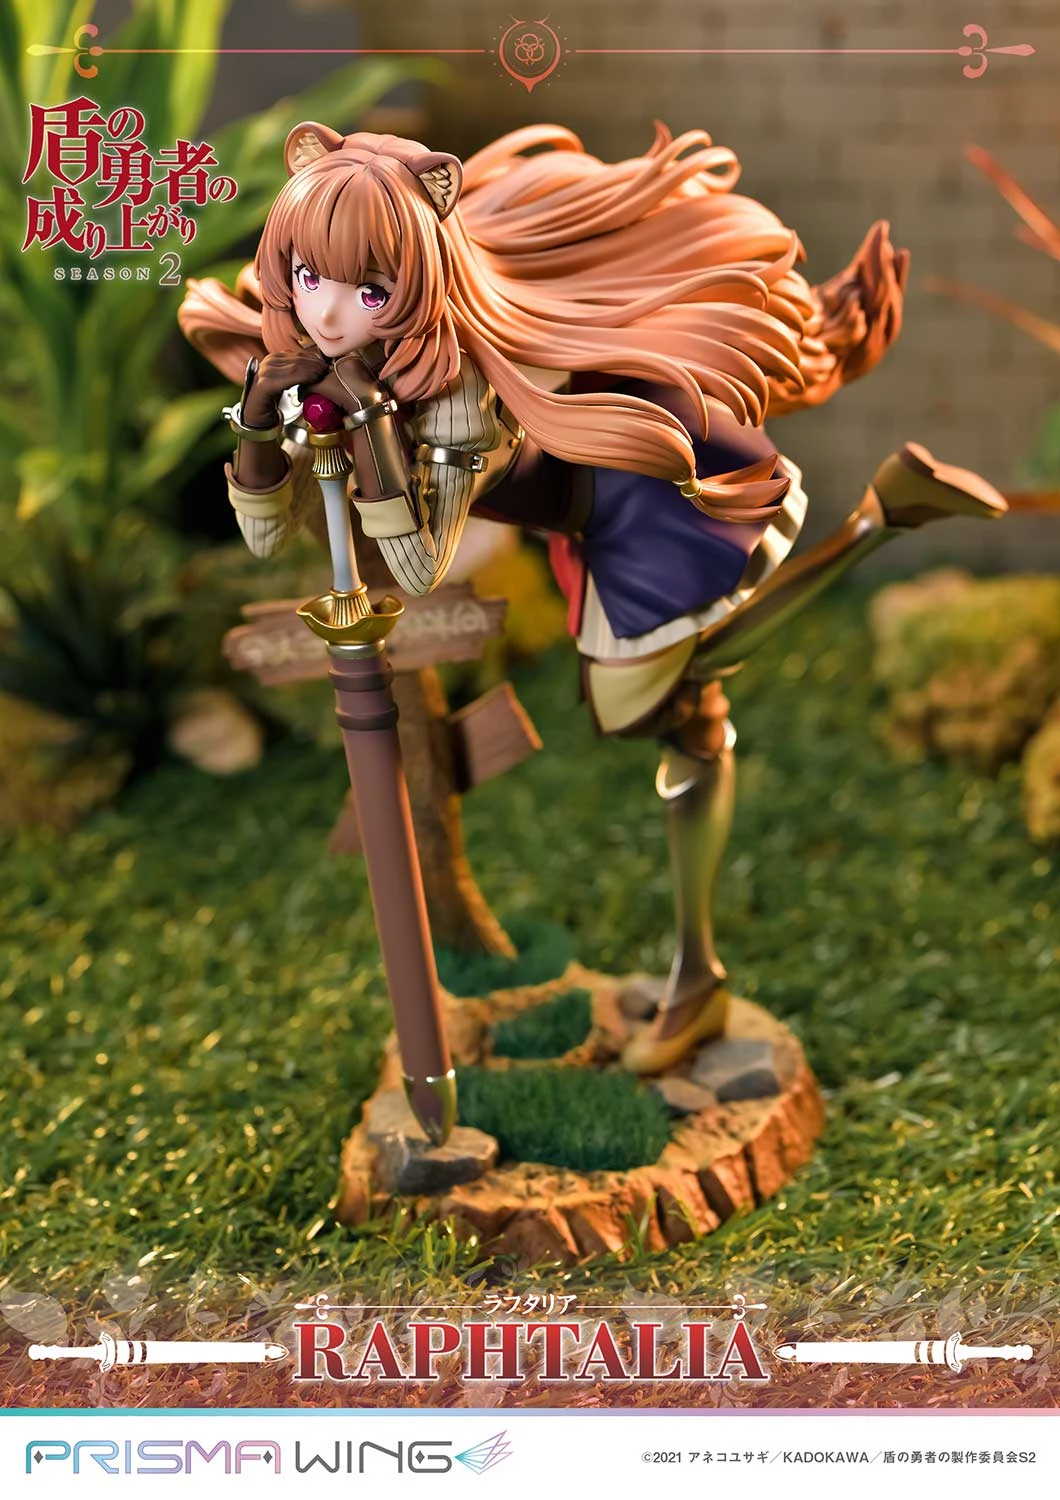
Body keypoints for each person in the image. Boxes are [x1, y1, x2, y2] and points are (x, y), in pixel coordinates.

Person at [179, 121, 1006, 1075]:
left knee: (645, 707)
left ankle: (877, 519)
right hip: (577, 513)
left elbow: (419, 564)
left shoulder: (454, 395)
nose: (327, 316)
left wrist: (367, 429)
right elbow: (266, 532)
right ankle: (698, 974)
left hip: (645, 492)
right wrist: (258, 419)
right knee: (676, 719)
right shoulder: (317, 360)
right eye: (308, 278)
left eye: (368, 291)